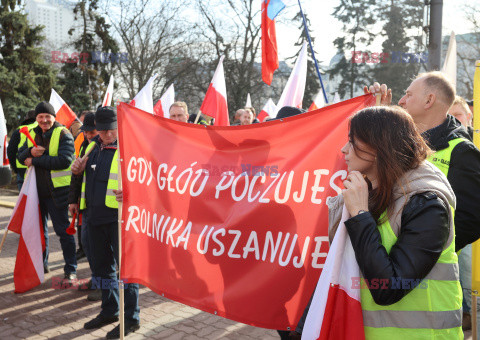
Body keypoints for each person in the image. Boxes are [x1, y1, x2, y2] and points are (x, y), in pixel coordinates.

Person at [311, 106, 462, 338]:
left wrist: (361, 214)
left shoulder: (427, 204)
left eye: (353, 141)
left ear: (379, 147)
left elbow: (389, 288)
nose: (343, 149)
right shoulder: (376, 189)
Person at [365, 72, 480, 252]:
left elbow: (471, 218)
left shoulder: (462, 151)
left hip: (424, 269)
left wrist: (423, 251)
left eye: (409, 94)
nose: (401, 100)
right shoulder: (399, 143)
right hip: (385, 262)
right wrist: (378, 115)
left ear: (429, 101)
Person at [71, 106, 140, 338]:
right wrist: (77, 171)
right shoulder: (91, 146)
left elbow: (146, 180)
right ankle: (110, 310)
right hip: (93, 217)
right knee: (101, 267)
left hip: (119, 220)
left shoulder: (130, 148)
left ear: (118, 127)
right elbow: (78, 175)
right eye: (102, 130)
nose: (107, 134)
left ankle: (130, 319)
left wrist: (132, 194)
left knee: (127, 271)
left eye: (111, 130)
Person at [17, 101, 77, 280]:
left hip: (57, 193)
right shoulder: (31, 132)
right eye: (41, 117)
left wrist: (35, 160)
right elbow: (20, 157)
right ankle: (42, 265)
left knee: (63, 231)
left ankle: (71, 269)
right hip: (36, 192)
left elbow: (64, 161)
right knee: (39, 232)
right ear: (36, 118)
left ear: (54, 117)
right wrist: (30, 151)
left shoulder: (63, 133)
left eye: (47, 117)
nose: (44, 120)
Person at [68, 112, 101, 299]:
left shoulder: (106, 148)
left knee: (103, 250)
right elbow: (76, 176)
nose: (89, 136)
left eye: (92, 132)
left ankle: (105, 286)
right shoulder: (84, 146)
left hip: (104, 209)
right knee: (88, 245)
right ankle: (96, 278)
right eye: (86, 132)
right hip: (86, 206)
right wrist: (73, 200)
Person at [7, 110, 37, 190]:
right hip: (39, 168)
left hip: (22, 169)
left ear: (26, 118)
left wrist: (16, 169)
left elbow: (11, 151)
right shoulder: (43, 129)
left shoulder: (19, 131)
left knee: (24, 200)